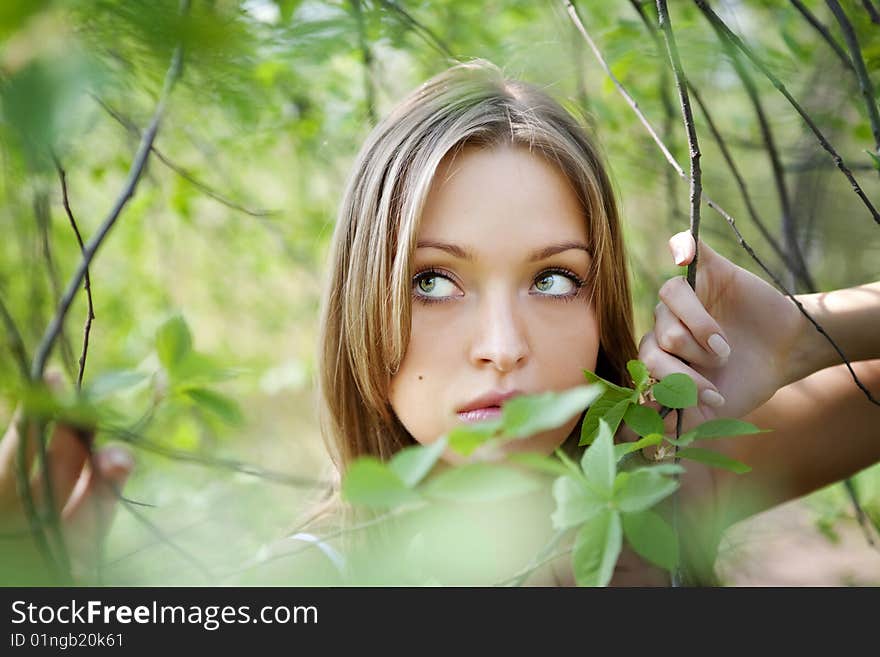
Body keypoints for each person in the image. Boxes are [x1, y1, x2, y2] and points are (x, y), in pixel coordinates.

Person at [1, 59, 878, 585]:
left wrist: (808, 333)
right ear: (361, 304)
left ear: (604, 305)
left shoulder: (664, 489)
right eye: (432, 281)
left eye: (554, 279)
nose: (502, 345)